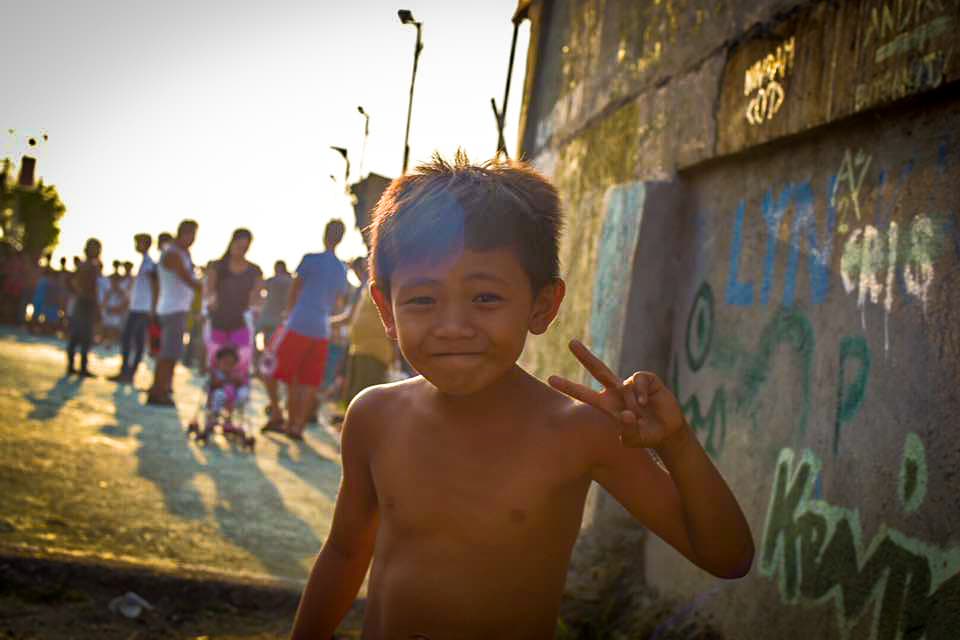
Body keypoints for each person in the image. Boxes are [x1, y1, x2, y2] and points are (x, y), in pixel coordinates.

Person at [288, 156, 755, 639]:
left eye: (485, 298)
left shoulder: (580, 432)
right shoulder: (372, 416)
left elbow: (727, 557)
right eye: (422, 300)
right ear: (386, 309)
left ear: (542, 305)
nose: (453, 327)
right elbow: (345, 552)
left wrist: (675, 442)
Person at [262, 219, 349, 440]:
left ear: (324, 234)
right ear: (341, 238)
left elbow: (295, 289)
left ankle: (282, 417)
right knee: (309, 380)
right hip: (321, 328)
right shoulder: (341, 269)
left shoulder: (311, 260)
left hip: (299, 322)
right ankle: (298, 426)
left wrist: (288, 314)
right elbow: (338, 301)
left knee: (275, 370)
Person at [147, 219, 200, 407]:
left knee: (171, 353)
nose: (194, 239)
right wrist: (210, 288)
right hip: (173, 309)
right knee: (168, 354)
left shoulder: (181, 253)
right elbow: (188, 280)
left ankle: (164, 388)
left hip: (175, 308)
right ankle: (158, 391)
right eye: (192, 235)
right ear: (185, 233)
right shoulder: (173, 253)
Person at [203, 228, 262, 374]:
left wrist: (255, 310)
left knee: (241, 365)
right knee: (215, 364)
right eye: (239, 246)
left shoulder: (255, 270)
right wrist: (209, 305)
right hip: (218, 321)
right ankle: (215, 394)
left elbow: (256, 297)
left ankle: (236, 395)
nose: (242, 251)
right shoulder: (217, 266)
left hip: (241, 324)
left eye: (245, 248)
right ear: (232, 243)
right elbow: (208, 292)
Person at [109, 234, 158, 383]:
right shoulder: (144, 262)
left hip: (142, 309)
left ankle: (128, 373)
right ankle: (126, 372)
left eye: (138, 243)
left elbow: (154, 286)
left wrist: (152, 308)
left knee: (132, 340)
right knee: (133, 340)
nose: (136, 246)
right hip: (137, 307)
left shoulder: (149, 263)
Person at [66, 238, 102, 378]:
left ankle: (80, 367)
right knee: (78, 335)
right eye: (94, 248)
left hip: (89, 302)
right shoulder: (85, 265)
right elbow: (69, 280)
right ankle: (73, 367)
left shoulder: (93, 265)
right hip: (84, 302)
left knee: (85, 336)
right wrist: (78, 292)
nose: (97, 251)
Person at [255, 260, 293, 363]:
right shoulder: (290, 281)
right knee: (271, 346)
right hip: (279, 318)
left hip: (266, 316)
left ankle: (256, 363)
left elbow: (259, 291)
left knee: (255, 337)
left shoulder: (272, 280)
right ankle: (266, 368)